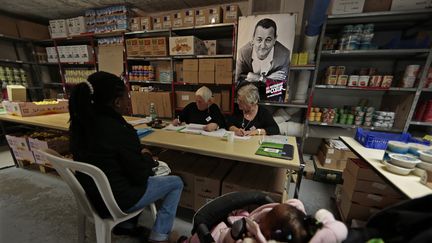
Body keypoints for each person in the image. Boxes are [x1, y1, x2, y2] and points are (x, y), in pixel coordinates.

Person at [69, 71, 183, 243]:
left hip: (91, 198)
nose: (128, 101)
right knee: (176, 182)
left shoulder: (79, 123)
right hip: (118, 201)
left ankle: (127, 226)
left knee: (122, 174)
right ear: (116, 102)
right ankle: (159, 236)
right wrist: (147, 157)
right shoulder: (120, 130)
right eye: (127, 97)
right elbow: (139, 176)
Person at [235, 18, 290, 85]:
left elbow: (283, 84)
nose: (263, 46)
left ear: (275, 40)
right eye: (259, 39)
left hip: (269, 93)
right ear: (253, 39)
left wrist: (261, 78)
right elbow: (237, 79)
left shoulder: (284, 55)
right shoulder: (243, 52)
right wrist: (269, 78)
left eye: (268, 40)